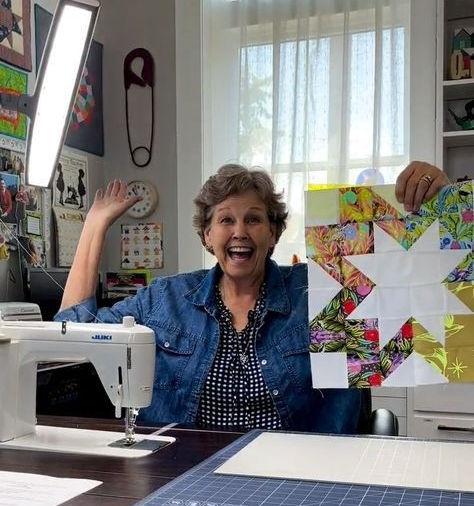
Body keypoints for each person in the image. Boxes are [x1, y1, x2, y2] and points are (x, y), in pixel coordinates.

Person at [56, 160, 450, 432]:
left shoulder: (324, 291)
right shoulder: (166, 300)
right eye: (226, 219)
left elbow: (439, 305)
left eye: (254, 219)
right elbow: (68, 335)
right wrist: (94, 225)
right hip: (185, 477)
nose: (240, 231)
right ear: (207, 236)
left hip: (303, 480)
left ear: (274, 233)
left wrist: (446, 205)